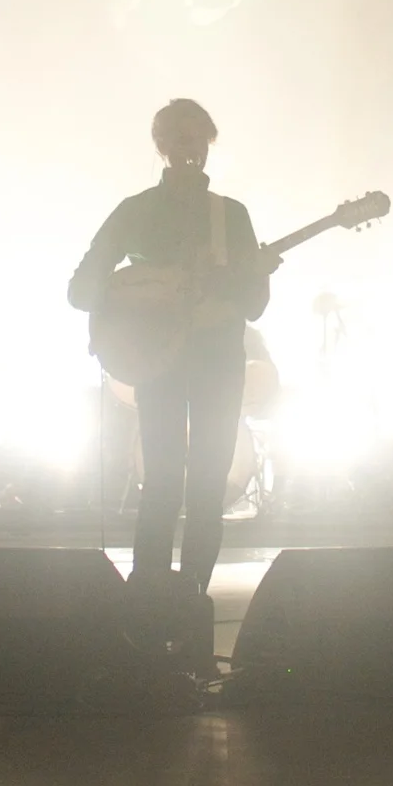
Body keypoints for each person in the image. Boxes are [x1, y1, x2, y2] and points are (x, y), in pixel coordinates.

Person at [68, 100, 274, 598]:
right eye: (181, 139)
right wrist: (133, 307)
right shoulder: (136, 211)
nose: (192, 150)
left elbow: (256, 305)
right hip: (158, 362)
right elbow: (80, 290)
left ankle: (193, 600)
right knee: (161, 483)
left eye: (199, 139)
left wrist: (251, 275)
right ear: (161, 147)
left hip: (217, 364)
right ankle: (149, 597)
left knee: (208, 486)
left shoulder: (231, 216)